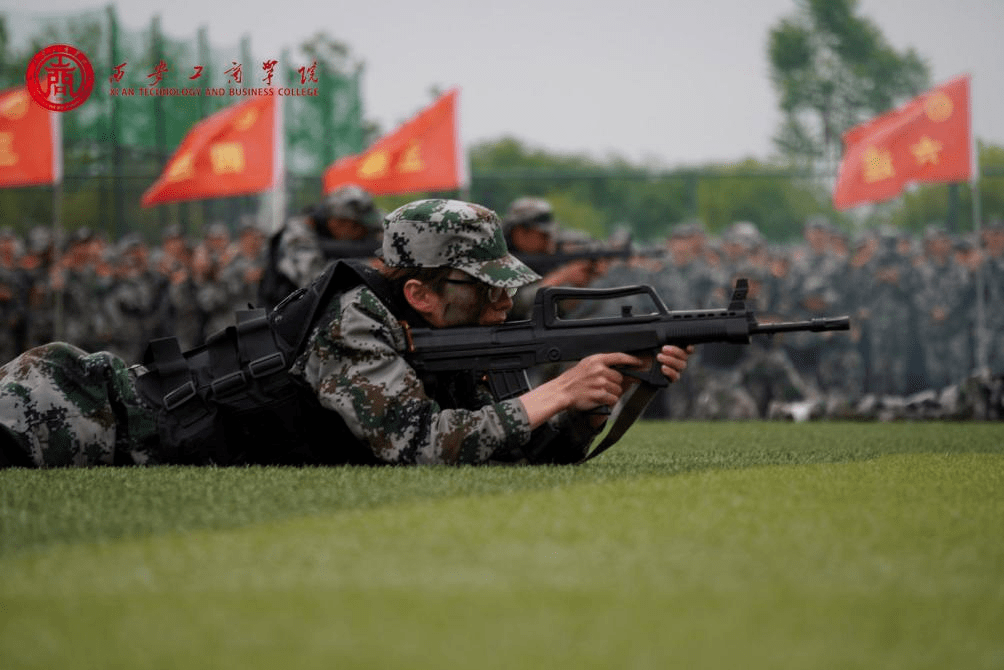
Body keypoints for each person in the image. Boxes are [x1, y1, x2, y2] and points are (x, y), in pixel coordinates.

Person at [0, 199, 693, 469]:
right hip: (85, 412)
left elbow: (512, 460)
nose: (500, 304)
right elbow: (418, 445)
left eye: (504, 286)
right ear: (419, 292)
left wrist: (587, 405)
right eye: (483, 289)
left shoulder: (449, 325)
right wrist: (550, 395)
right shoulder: (353, 322)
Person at [257, 184, 383, 310]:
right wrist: (369, 266)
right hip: (280, 319)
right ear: (339, 222)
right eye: (361, 227)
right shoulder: (296, 232)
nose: (364, 233)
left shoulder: (331, 233)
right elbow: (313, 278)